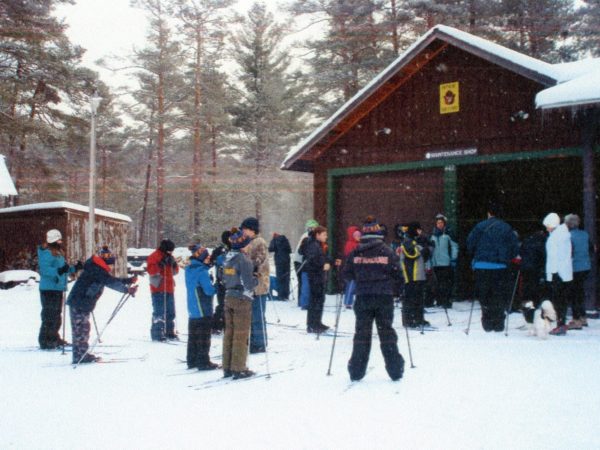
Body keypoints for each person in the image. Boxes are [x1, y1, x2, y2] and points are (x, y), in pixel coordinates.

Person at [343, 215, 405, 382]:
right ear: (379, 233)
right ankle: (395, 370)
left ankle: (356, 371)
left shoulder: (356, 252)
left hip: (363, 296)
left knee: (362, 334)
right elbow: (398, 274)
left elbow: (347, 273)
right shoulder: (387, 251)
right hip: (384, 296)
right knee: (387, 333)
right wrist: (396, 288)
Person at [67, 246, 137, 364]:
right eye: (110, 266)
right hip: (79, 302)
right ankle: (79, 356)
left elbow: (109, 279)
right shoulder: (97, 269)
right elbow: (110, 282)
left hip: (82, 303)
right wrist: (127, 290)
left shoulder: (97, 267)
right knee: (80, 330)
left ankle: (81, 353)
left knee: (83, 329)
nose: (111, 268)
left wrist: (127, 281)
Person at [467, 203, 519, 332]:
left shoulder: (480, 226)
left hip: (481, 265)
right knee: (498, 294)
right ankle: (498, 322)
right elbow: (515, 247)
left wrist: (476, 256)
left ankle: (487, 321)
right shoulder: (506, 228)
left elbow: (470, 243)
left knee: (484, 294)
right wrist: (507, 258)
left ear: (489, 213)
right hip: (500, 266)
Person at [37, 229, 82, 349]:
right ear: (53, 241)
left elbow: (63, 269)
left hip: (57, 288)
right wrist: (59, 271)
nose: (61, 242)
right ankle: (46, 340)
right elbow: (45, 270)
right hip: (48, 288)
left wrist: (74, 268)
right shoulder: (46, 252)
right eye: (59, 240)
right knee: (49, 314)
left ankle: (54, 337)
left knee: (56, 314)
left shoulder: (58, 252)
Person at [222, 228, 258, 379]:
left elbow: (223, 277)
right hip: (242, 298)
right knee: (241, 334)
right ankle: (239, 367)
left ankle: (228, 366)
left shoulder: (227, 258)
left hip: (229, 296)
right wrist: (256, 277)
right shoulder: (244, 259)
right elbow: (249, 283)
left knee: (229, 333)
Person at [185, 244, 219, 370]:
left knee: (193, 336)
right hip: (203, 308)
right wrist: (217, 285)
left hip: (192, 308)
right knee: (204, 337)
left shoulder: (189, 269)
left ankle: (192, 359)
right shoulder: (202, 272)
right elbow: (209, 291)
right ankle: (203, 361)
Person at [240, 217, 270, 354]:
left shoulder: (259, 242)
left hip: (259, 285)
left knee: (258, 316)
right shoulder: (250, 242)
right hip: (251, 284)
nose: (243, 232)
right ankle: (254, 340)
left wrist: (247, 261)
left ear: (251, 229)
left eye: (245, 229)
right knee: (252, 315)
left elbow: (260, 260)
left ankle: (260, 342)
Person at [542, 212, 573, 335]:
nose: (546, 228)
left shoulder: (554, 238)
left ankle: (560, 325)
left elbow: (553, 257)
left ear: (553, 224)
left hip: (557, 273)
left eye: (547, 225)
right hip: (565, 272)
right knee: (563, 300)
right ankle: (561, 323)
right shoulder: (564, 234)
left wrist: (553, 273)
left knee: (558, 299)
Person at [146, 239, 180, 341]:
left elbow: (175, 271)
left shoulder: (170, 256)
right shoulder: (154, 256)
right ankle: (157, 334)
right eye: (169, 251)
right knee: (159, 312)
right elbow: (151, 271)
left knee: (170, 311)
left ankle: (169, 332)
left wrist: (174, 265)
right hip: (158, 287)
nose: (171, 253)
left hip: (169, 287)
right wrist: (159, 265)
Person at [399, 222, 431, 328]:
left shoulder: (414, 241)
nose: (420, 232)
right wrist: (424, 248)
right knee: (410, 298)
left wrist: (426, 247)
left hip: (418, 274)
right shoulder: (408, 241)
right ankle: (409, 320)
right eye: (418, 230)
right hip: (411, 274)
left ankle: (418, 318)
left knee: (418, 297)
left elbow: (424, 257)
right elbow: (413, 253)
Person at [565, 214, 592, 329]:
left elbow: (569, 252)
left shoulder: (569, 236)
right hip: (586, 267)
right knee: (580, 292)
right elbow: (591, 249)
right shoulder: (585, 234)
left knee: (574, 294)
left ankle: (576, 320)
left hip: (574, 268)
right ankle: (583, 317)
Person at [303, 225, 332, 333]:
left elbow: (325, 256)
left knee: (320, 300)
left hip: (320, 276)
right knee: (315, 300)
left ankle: (317, 322)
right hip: (315, 276)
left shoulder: (321, 245)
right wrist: (322, 265)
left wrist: (330, 261)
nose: (326, 237)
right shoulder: (312, 245)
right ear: (318, 235)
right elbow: (312, 260)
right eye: (324, 234)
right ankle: (312, 324)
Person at [429, 214, 459, 309]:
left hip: (446, 262)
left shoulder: (448, 234)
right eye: (438, 223)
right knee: (438, 283)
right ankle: (439, 300)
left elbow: (454, 246)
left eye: (441, 222)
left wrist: (453, 258)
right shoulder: (432, 235)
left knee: (446, 283)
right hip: (436, 263)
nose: (439, 224)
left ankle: (447, 301)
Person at [209, 230, 232, 334]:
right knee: (223, 304)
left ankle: (220, 324)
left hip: (225, 281)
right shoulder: (223, 250)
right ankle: (218, 324)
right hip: (224, 281)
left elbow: (211, 262)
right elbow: (212, 262)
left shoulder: (221, 250)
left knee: (223, 304)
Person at [519, 228, 548, 308]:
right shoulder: (542, 241)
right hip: (535, 266)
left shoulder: (527, 240)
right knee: (534, 285)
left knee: (526, 284)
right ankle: (534, 301)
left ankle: (525, 301)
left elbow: (521, 251)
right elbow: (543, 255)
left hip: (525, 265)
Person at [293, 219, 319, 308]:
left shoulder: (309, 236)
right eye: (312, 228)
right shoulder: (306, 236)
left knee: (303, 281)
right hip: (300, 261)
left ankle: (303, 301)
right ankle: (302, 301)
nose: (313, 230)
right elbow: (302, 250)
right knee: (302, 281)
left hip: (303, 260)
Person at [268, 232, 292, 301]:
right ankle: (286, 295)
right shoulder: (285, 240)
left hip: (279, 261)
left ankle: (281, 295)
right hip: (287, 260)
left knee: (280, 278)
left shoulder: (274, 240)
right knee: (286, 278)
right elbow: (289, 250)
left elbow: (270, 249)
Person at [342, 225, 361, 309]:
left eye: (359, 235)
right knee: (351, 285)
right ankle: (348, 302)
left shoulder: (359, 244)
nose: (359, 237)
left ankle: (352, 301)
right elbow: (349, 257)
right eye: (356, 235)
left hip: (357, 267)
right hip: (352, 269)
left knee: (355, 285)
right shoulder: (350, 244)